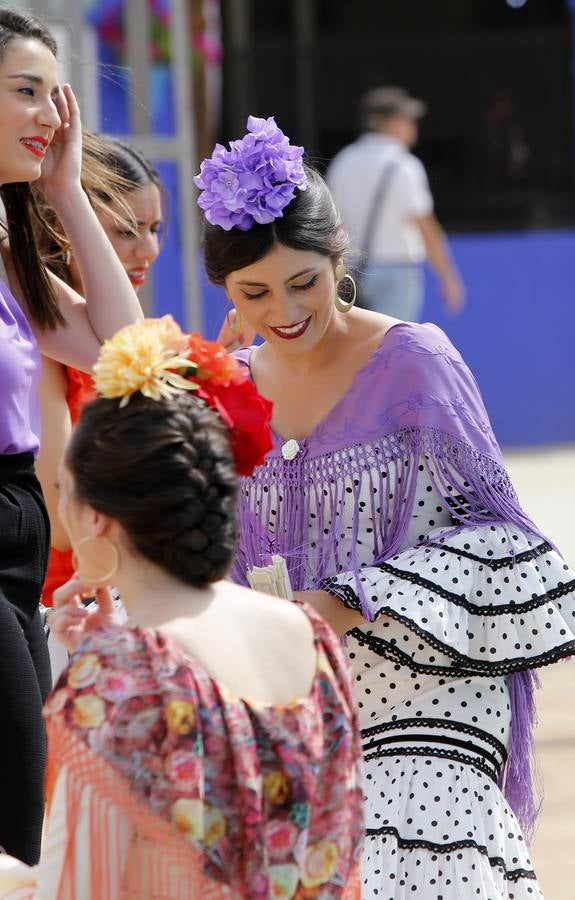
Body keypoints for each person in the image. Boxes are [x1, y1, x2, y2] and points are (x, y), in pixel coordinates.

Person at [195, 115, 575, 898]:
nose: (285, 309)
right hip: (298, 697)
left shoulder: (415, 360)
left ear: (341, 258)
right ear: (226, 292)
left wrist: (352, 598)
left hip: (431, 683)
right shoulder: (224, 384)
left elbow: (504, 538)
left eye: (304, 281)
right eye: (254, 293)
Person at [0, 317, 364, 899]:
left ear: (97, 518)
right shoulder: (307, 634)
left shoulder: (122, 676)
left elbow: (79, 887)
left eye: (62, 490)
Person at [0, 8, 141, 865]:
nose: (50, 115)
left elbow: (121, 347)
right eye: (25, 91)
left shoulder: (5, 241)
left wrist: (61, 193)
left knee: (26, 809)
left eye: (56, 96)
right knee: (23, 818)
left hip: (17, 545)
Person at [34, 133, 164, 611]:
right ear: (66, 224)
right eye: (127, 230)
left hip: (128, 586)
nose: (147, 249)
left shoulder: (133, 330)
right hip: (69, 601)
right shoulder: (42, 338)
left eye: (155, 228)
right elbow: (63, 523)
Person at [327, 86, 464, 321]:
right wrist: (448, 276)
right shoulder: (403, 164)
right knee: (394, 348)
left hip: (352, 270)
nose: (413, 125)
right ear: (389, 123)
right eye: (407, 119)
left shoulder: (343, 161)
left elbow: (332, 223)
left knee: (359, 349)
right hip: (397, 271)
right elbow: (424, 224)